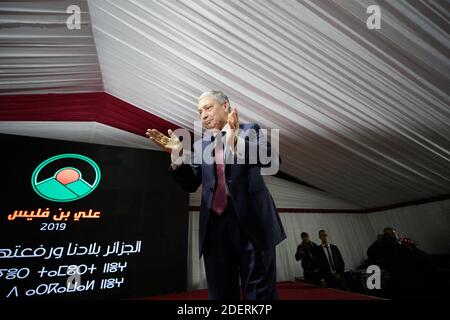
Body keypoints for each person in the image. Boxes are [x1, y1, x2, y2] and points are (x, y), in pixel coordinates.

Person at [146, 90, 286, 300]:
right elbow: (191, 182)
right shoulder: (200, 145)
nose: (203, 115)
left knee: (260, 295)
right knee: (220, 294)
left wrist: (236, 142)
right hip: (215, 228)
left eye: (208, 107)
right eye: (199, 111)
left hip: (252, 226)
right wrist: (177, 159)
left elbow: (270, 159)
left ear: (226, 106)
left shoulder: (249, 131)